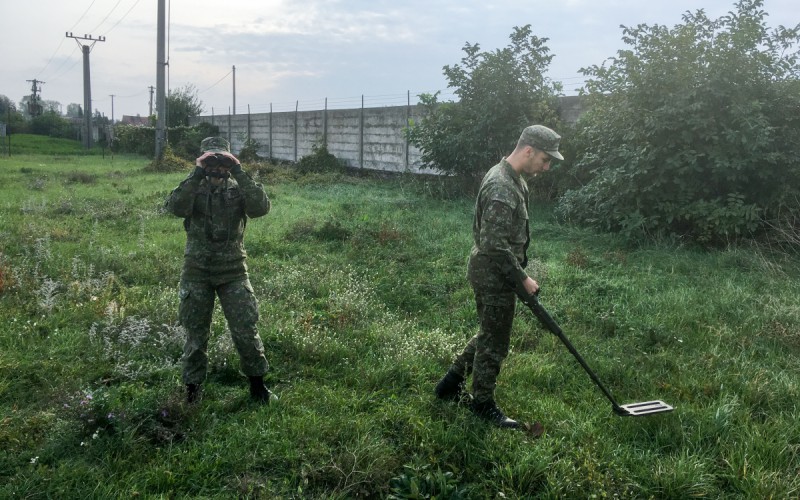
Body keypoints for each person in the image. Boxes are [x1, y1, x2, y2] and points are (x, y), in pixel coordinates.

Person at [434, 125, 563, 429]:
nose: (546, 167)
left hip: (498, 271)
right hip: (494, 274)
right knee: (495, 341)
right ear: (528, 150)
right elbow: (493, 244)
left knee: (489, 333)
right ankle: (482, 404)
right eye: (545, 160)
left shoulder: (513, 178)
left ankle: (450, 383)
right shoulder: (502, 187)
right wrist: (523, 278)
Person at [165, 136, 276, 404]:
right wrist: (197, 171)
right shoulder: (193, 187)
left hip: (233, 271)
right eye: (211, 161)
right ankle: (192, 392)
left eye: (222, 161)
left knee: (245, 329)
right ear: (202, 160)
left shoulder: (238, 189)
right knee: (195, 334)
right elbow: (175, 207)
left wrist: (238, 169)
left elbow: (261, 208)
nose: (217, 168)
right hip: (197, 271)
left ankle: (258, 388)